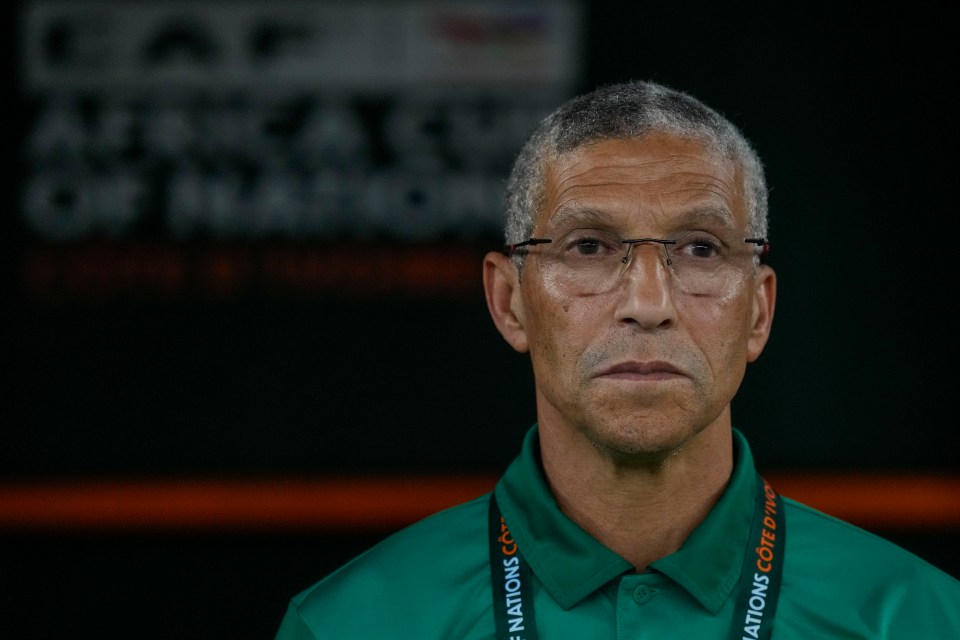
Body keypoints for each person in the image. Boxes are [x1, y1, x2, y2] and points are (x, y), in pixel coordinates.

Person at [273, 80, 960, 639]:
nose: (648, 301)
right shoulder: (354, 624)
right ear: (509, 301)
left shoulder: (918, 619)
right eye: (589, 247)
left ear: (759, 310)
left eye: (699, 248)